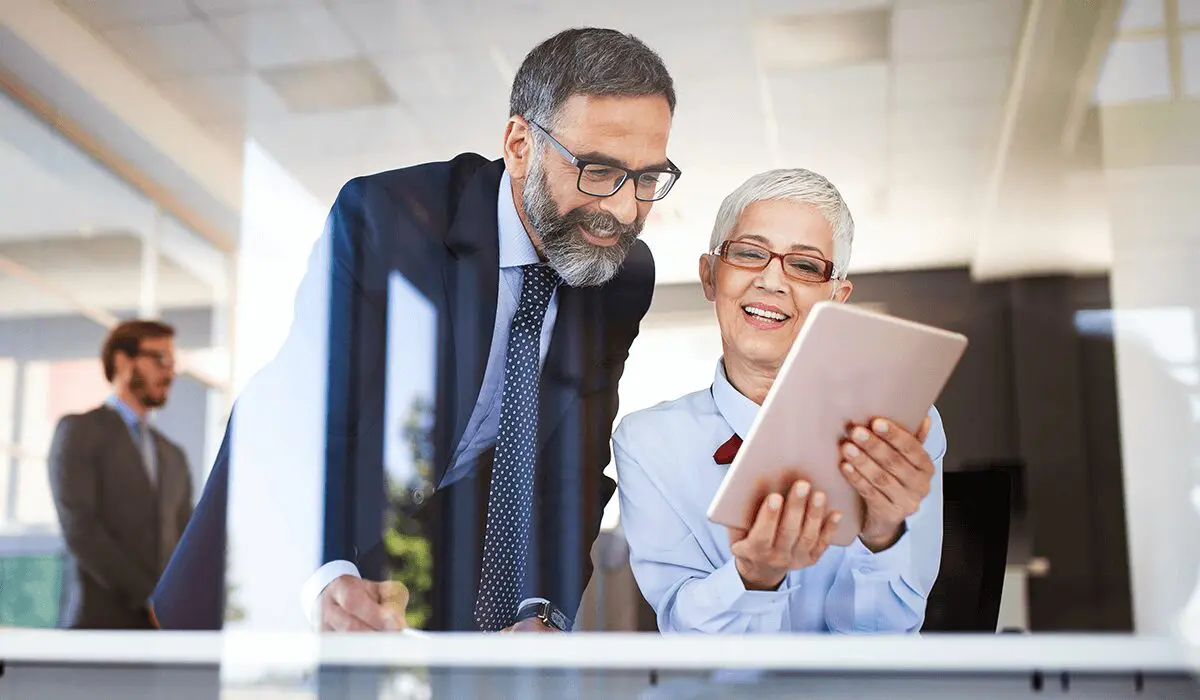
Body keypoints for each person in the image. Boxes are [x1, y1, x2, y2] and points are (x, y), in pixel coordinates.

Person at [151, 27, 680, 634]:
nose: (622, 209)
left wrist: (544, 610)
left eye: (646, 179)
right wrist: (324, 572)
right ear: (519, 144)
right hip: (285, 548)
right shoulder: (389, 219)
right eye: (598, 170)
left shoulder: (621, 275)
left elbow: (573, 460)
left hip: (433, 578)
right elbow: (300, 412)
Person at [613, 169, 944, 634]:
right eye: (749, 253)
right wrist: (754, 577)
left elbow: (881, 642)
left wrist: (883, 534)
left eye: (805, 266)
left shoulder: (898, 426)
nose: (772, 281)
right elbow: (686, 638)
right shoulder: (646, 442)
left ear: (837, 298)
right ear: (709, 275)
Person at [48, 320, 194, 629]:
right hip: (97, 629)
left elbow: (185, 541)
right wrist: (148, 597)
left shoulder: (173, 456)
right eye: (160, 359)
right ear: (123, 361)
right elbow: (81, 529)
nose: (170, 372)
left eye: (173, 363)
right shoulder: (80, 431)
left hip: (161, 634)